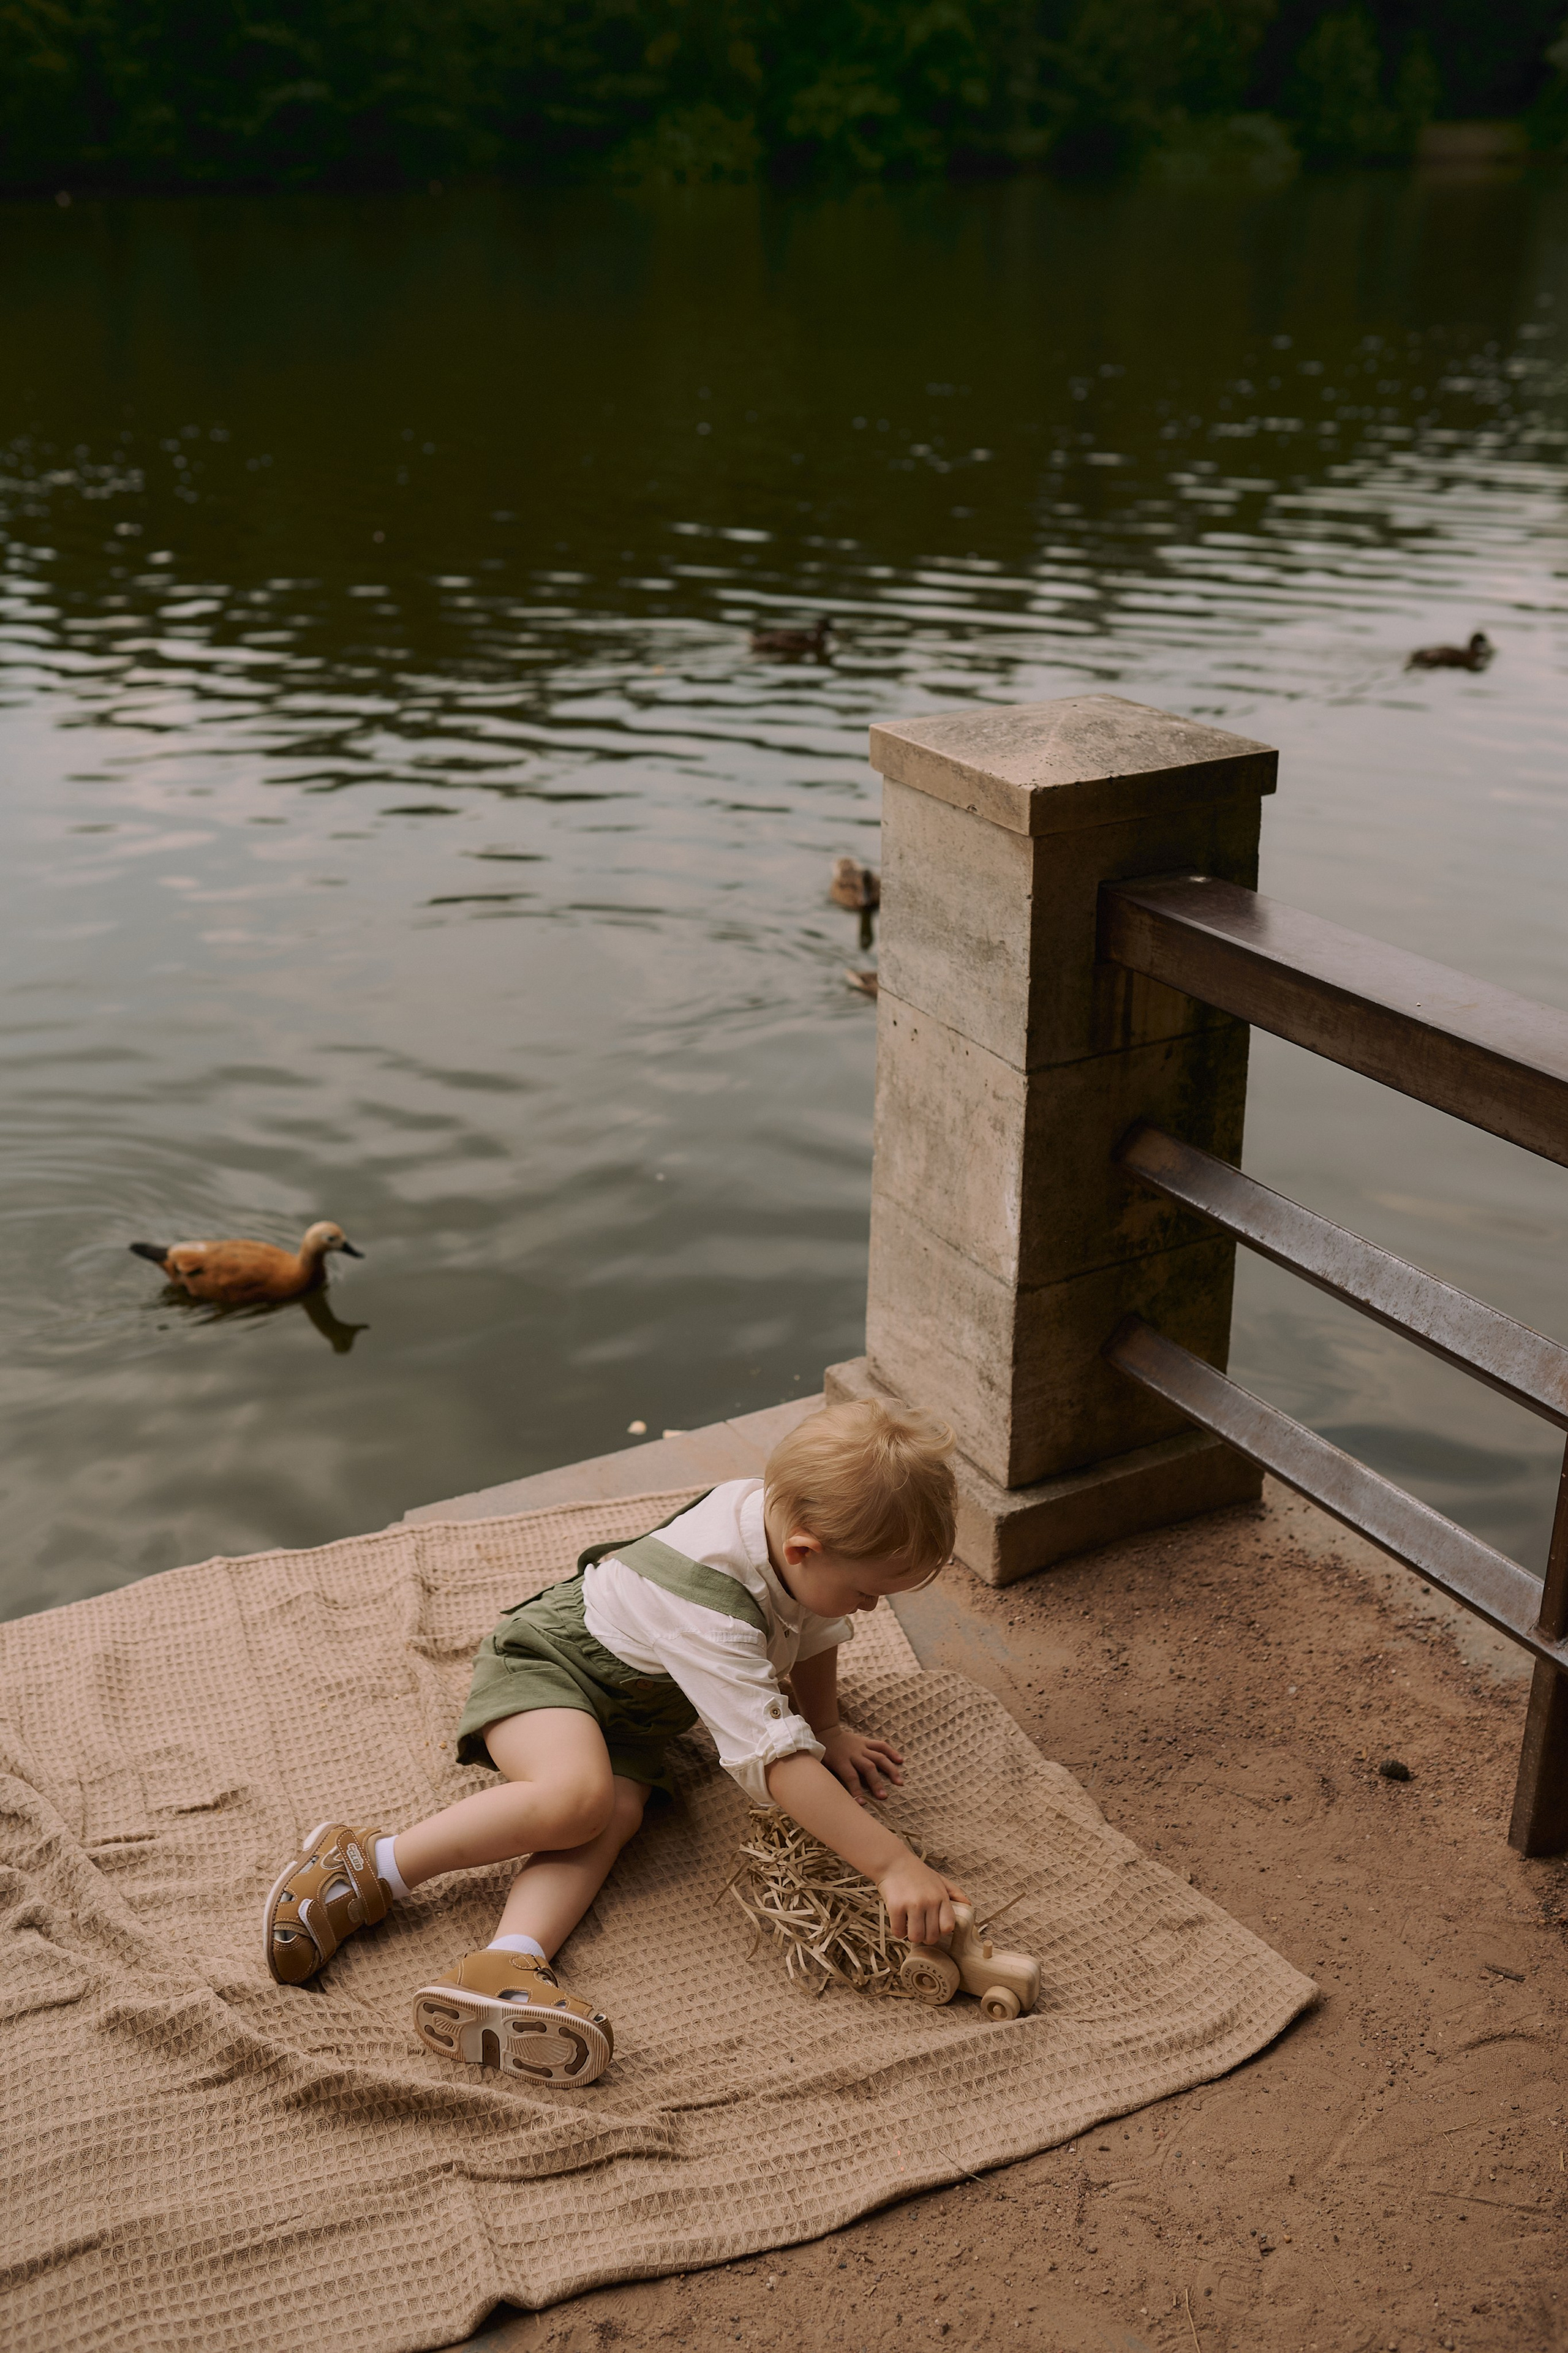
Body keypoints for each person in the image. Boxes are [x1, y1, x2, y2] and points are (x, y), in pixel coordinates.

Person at [261, 1397, 965, 2087]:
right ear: (802, 1550)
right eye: (867, 1592)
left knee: (614, 1814)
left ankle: (506, 1961)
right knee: (575, 1798)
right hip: (550, 1666)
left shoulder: (790, 1528)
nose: (870, 1608)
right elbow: (776, 1761)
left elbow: (812, 1630)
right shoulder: (708, 1608)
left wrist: (828, 1727)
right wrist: (891, 1864)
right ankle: (367, 1866)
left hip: (636, 1711)